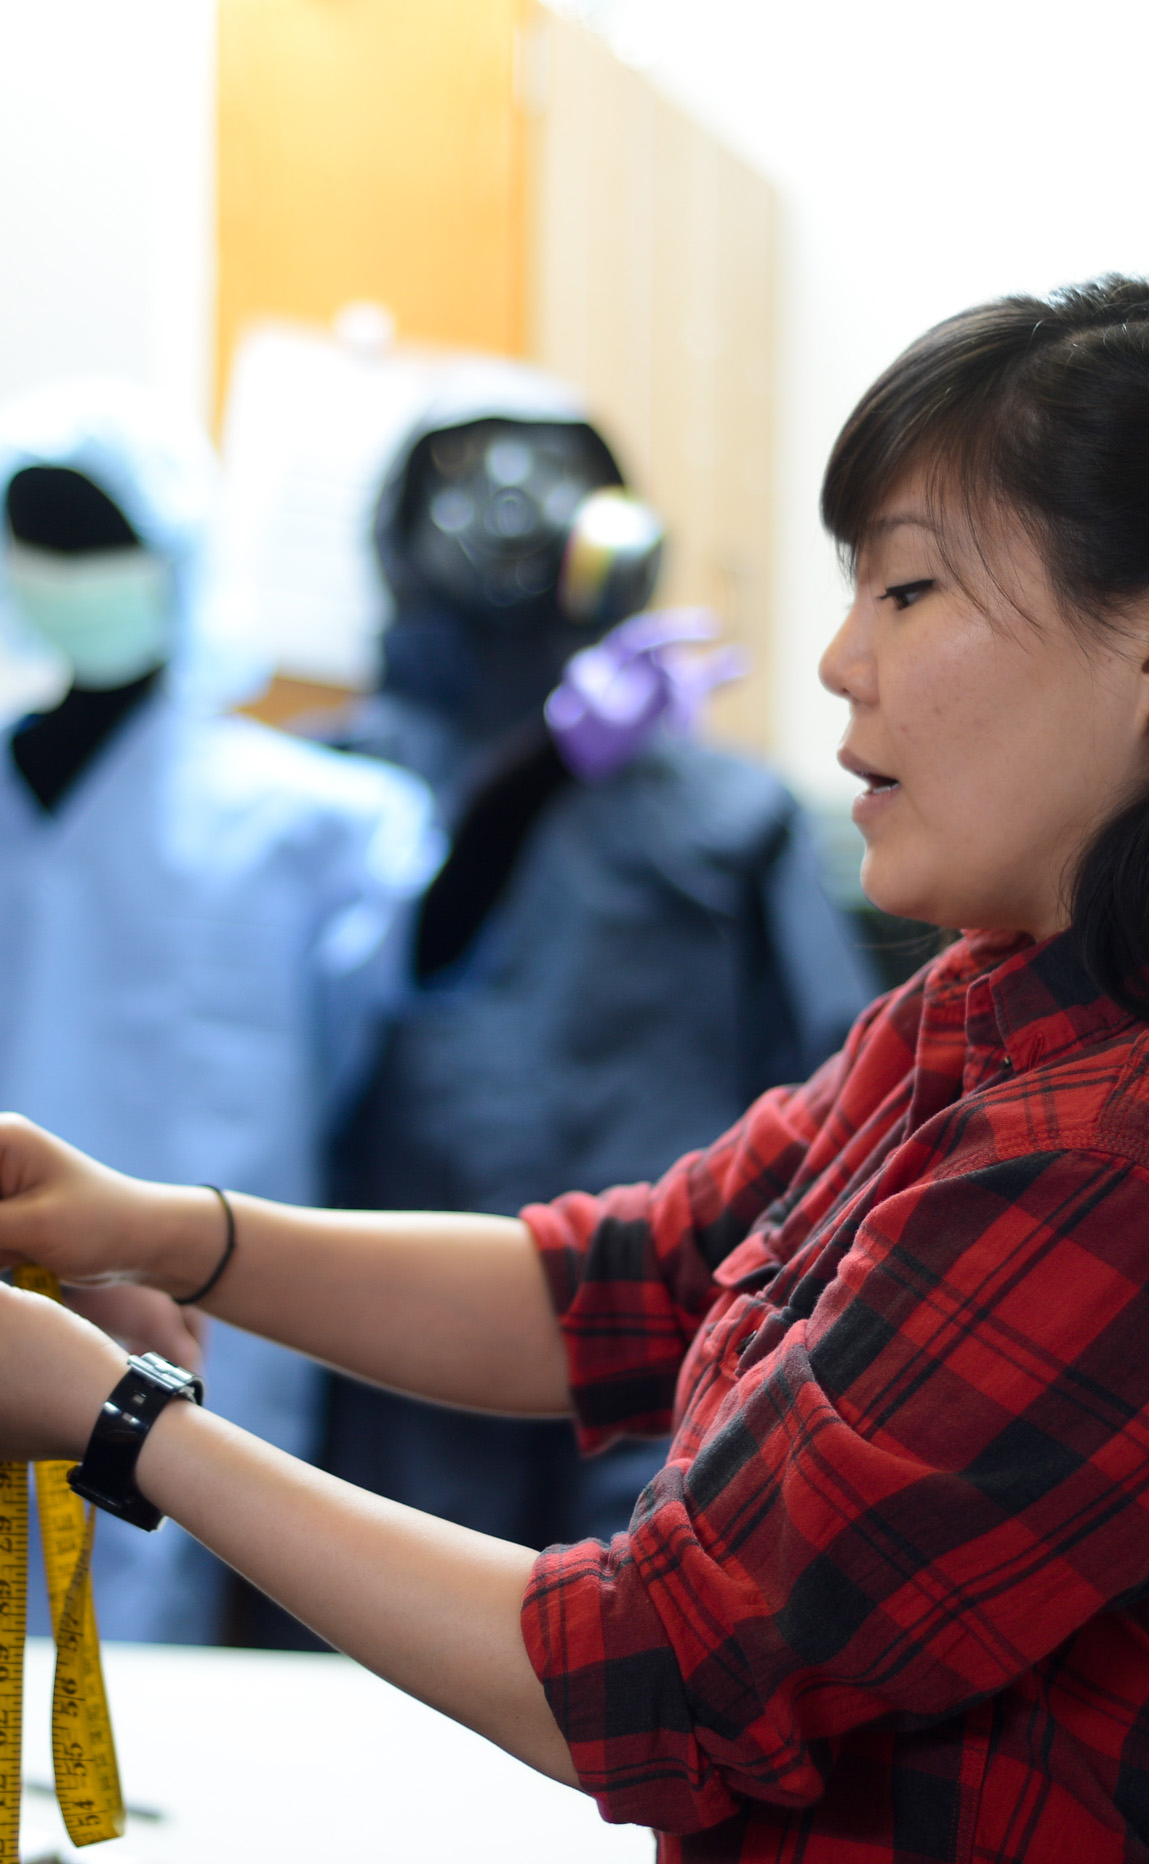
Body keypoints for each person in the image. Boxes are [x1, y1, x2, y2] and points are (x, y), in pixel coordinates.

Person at [0, 275, 1149, 1862]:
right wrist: (155, 1228)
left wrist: (127, 1428)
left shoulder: (1144, 1161)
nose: (839, 660)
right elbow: (629, 1284)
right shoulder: (987, 1009)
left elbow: (659, 1666)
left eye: (908, 592)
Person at [0, 379, 436, 1642]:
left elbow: (396, 1060)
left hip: (175, 1370)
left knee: (136, 1765)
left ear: (178, 555)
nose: (73, 567)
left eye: (102, 533)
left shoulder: (323, 827)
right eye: (45, 531)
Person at [306, 363, 876, 1566]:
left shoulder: (731, 809)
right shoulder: (319, 797)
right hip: (386, 1328)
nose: (514, 507)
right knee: (385, 1662)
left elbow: (847, 1086)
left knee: (640, 1683)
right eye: (470, 471)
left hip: (665, 1325)